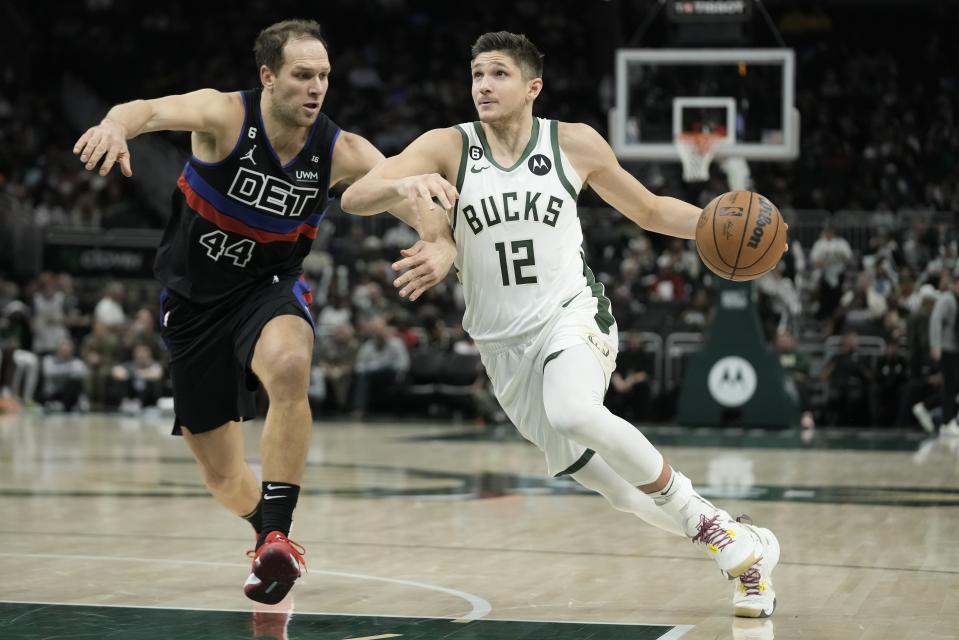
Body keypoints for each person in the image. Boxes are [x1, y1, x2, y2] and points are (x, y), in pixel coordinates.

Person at [342, 31, 781, 619]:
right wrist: (406, 185)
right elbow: (356, 195)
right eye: (476, 74)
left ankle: (714, 531)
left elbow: (648, 208)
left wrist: (715, 225)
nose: (483, 85)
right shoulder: (448, 147)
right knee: (625, 494)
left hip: (572, 315)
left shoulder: (571, 143)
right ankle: (746, 548)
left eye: (497, 74)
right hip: (503, 350)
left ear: (532, 87)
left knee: (575, 410)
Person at [73, 19, 455, 604]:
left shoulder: (342, 150)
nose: (316, 87)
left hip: (268, 288)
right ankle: (262, 529)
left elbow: (411, 194)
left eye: (324, 76)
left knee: (289, 364)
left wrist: (438, 240)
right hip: (193, 303)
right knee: (224, 478)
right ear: (267, 76)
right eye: (303, 75)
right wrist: (113, 126)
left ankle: (280, 532)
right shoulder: (223, 115)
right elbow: (143, 110)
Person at [930, 273, 959, 436]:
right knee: (949, 386)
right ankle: (946, 423)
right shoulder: (947, 299)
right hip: (947, 349)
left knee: (954, 386)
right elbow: (935, 320)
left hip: (956, 349)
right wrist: (936, 345)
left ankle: (950, 420)